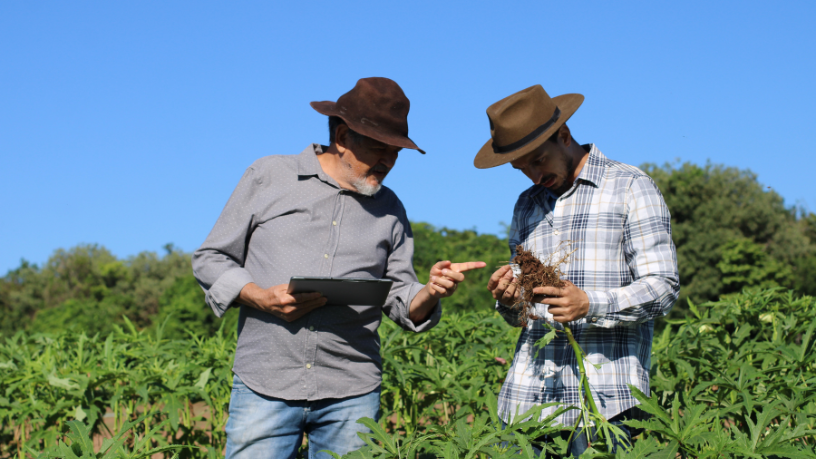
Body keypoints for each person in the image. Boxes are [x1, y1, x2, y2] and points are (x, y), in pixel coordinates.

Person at [192, 77, 485, 459]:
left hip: (352, 390)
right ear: (342, 135)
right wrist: (259, 297)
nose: (388, 161)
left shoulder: (390, 209)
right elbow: (211, 258)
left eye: (396, 151)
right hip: (265, 380)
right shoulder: (269, 176)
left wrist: (431, 290)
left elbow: (400, 296)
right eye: (379, 148)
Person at [476, 85, 679, 456]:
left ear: (565, 137)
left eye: (538, 160)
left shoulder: (630, 186)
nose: (533, 175)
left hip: (603, 406)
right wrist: (509, 300)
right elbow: (522, 316)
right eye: (521, 168)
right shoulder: (527, 204)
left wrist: (590, 304)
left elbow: (663, 286)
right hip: (528, 402)